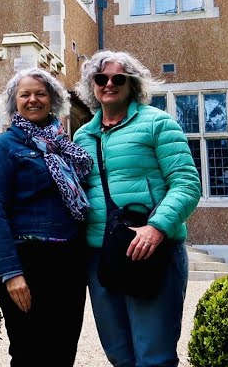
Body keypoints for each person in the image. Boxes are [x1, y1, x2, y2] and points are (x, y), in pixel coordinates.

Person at [73, 51, 201, 367]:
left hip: (150, 251)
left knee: (154, 356)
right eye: (101, 78)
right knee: (119, 353)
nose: (110, 84)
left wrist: (157, 227)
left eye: (119, 78)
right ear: (92, 85)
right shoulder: (82, 136)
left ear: (132, 84)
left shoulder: (158, 123)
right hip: (100, 255)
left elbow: (186, 184)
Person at [0, 67, 94, 366]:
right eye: (25, 94)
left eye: (40, 93)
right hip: (28, 263)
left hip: (69, 262)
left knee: (62, 350)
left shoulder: (65, 146)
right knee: (28, 352)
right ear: (14, 102)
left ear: (53, 99)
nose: (33, 100)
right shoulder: (4, 146)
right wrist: (11, 273)